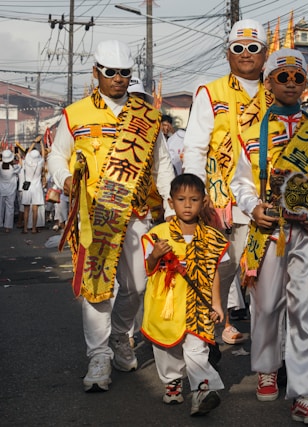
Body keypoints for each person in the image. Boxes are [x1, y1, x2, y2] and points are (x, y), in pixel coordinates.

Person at [47, 39, 175, 392]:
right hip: (93, 216)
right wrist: (66, 178)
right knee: (97, 287)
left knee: (137, 283)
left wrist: (172, 202)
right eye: (111, 72)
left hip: (135, 214)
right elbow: (57, 156)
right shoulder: (75, 114)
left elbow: (161, 164)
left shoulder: (146, 118)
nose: (118, 79)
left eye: (124, 73)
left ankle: (121, 335)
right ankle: (99, 354)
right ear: (96, 74)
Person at [230, 48, 308, 424]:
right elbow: (240, 181)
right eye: (283, 77)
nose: (291, 83)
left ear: (306, 83)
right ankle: (266, 365)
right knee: (266, 303)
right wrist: (252, 207)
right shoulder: (248, 132)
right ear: (269, 82)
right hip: (268, 230)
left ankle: (306, 394)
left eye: (298, 77)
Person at [182, 19, 270, 346]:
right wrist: (196, 194)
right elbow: (194, 147)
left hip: (265, 202)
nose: (245, 54)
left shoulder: (275, 92)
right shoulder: (211, 93)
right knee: (221, 270)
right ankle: (200, 333)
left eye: (253, 48)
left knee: (265, 277)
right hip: (221, 204)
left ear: (265, 53)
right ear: (227, 53)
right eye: (238, 48)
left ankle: (270, 352)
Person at [140, 174, 228, 416]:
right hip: (166, 303)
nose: (187, 205)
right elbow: (147, 268)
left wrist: (217, 304)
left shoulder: (212, 237)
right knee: (166, 347)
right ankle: (173, 380)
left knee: (196, 348)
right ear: (170, 202)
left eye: (193, 199)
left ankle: (202, 391)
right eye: (181, 199)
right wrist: (156, 255)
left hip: (197, 304)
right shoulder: (157, 234)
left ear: (204, 202)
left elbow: (214, 272)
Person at [19, 149, 44, 234]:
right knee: (35, 209)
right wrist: (40, 143)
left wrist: (34, 142)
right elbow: (43, 154)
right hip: (36, 187)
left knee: (26, 209)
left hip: (28, 187)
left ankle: (25, 228)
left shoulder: (27, 162)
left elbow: (28, 153)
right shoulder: (40, 163)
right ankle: (33, 228)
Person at [0, 149, 20, 233]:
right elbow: (20, 165)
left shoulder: (0, 165)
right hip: (11, 190)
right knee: (10, 209)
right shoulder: (14, 168)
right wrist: (18, 156)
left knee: (0, 208)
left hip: (1, 189)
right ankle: (7, 227)